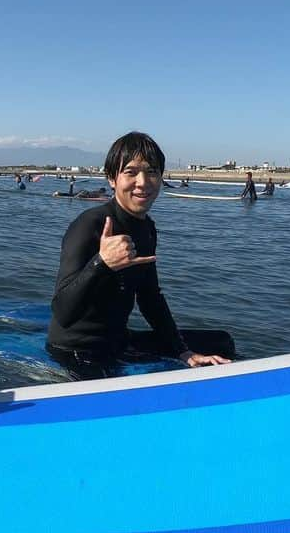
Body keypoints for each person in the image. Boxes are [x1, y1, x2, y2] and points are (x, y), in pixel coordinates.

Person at [46, 132, 235, 380]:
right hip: (77, 351)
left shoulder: (147, 228)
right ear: (112, 179)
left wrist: (183, 351)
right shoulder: (89, 225)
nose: (143, 182)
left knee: (221, 342)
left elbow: (150, 297)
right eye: (131, 172)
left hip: (120, 342)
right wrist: (101, 263)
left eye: (152, 172)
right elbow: (62, 311)